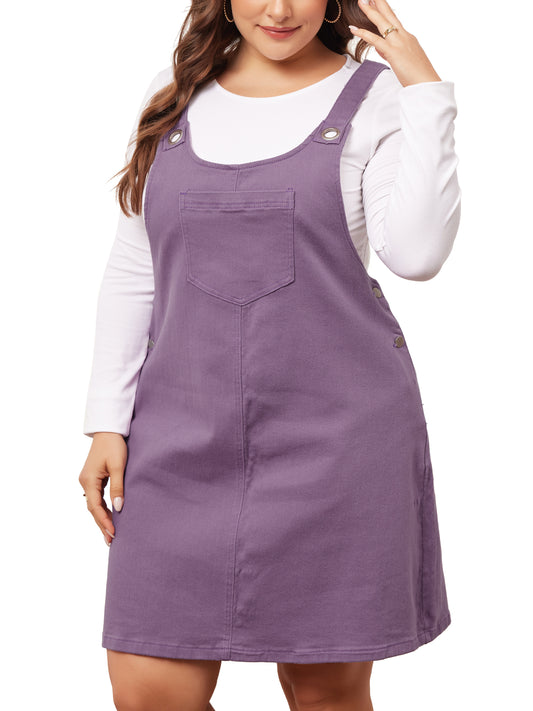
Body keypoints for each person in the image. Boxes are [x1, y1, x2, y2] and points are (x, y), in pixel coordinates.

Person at [79, 0, 461, 708]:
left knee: (323, 690)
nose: (278, 9)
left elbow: (416, 255)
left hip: (335, 448)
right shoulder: (174, 92)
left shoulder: (378, 99)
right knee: (148, 688)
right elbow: (135, 266)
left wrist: (425, 92)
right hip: (177, 440)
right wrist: (107, 420)